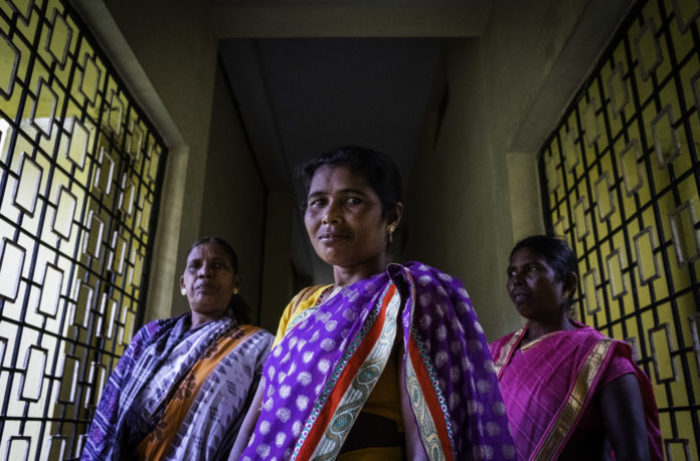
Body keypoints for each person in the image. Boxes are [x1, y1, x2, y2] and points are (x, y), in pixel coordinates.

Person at [230, 146, 514, 460]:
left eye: (352, 200)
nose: (329, 215)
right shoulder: (301, 305)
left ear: (391, 216)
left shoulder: (412, 295)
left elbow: (428, 430)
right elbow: (262, 411)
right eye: (318, 202)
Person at [82, 236, 273, 460]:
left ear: (236, 283)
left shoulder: (259, 345)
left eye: (218, 266)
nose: (205, 272)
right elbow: (111, 409)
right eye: (195, 266)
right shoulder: (151, 336)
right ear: (183, 283)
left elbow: (259, 427)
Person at [489, 235, 663, 461]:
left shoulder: (602, 359)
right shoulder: (496, 354)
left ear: (569, 284)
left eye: (531, 269)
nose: (517, 280)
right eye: (512, 272)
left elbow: (635, 455)